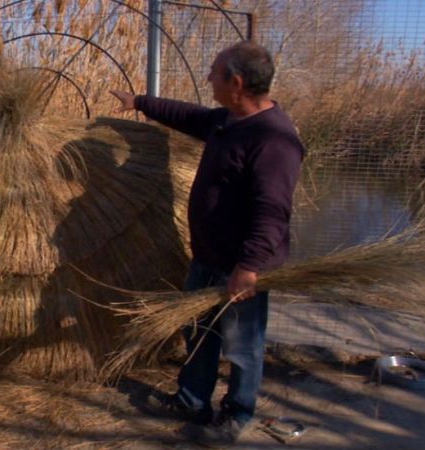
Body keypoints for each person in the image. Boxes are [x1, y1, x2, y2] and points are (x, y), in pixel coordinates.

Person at [111, 42, 305, 446]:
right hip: (208, 257)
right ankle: (192, 401)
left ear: (236, 82)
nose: (207, 79)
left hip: (241, 267)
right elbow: (190, 116)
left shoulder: (274, 140)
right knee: (199, 334)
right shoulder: (229, 120)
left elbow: (272, 213)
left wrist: (249, 268)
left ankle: (238, 414)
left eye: (214, 73)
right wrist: (139, 102)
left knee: (242, 346)